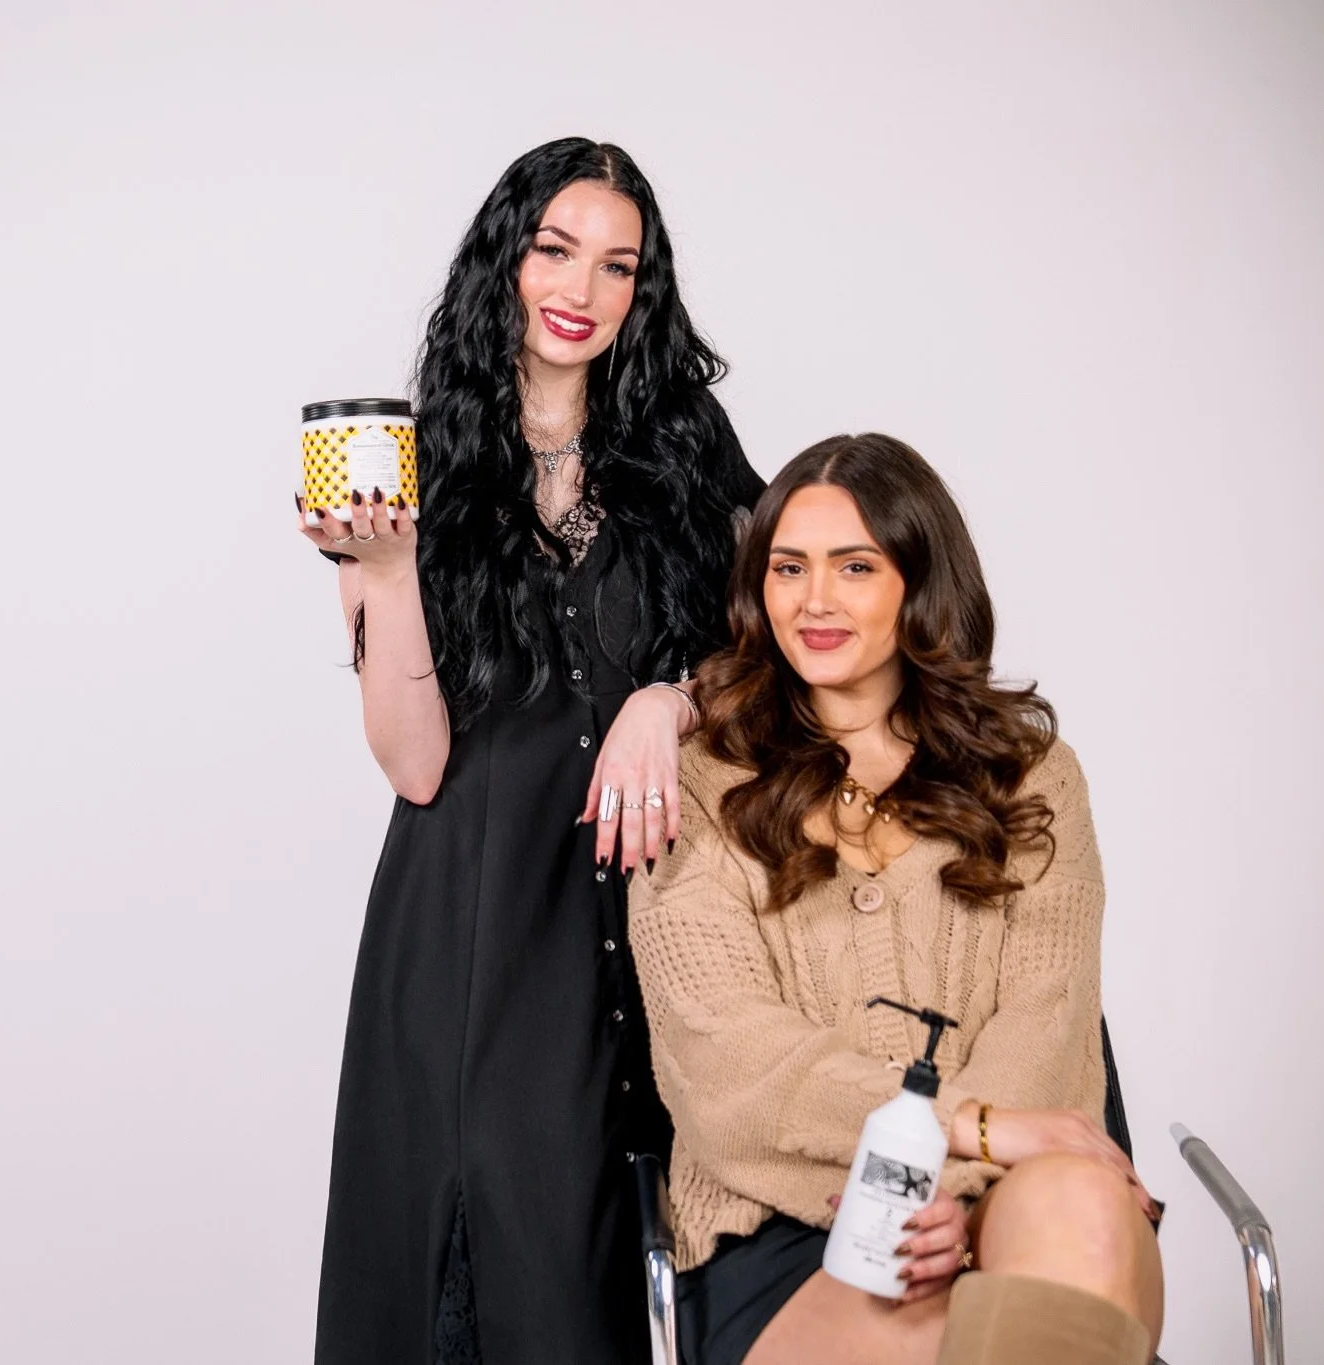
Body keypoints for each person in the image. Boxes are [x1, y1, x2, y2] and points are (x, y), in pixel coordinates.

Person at [297, 137, 764, 1365]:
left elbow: (785, 639)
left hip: (660, 906)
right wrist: (387, 573)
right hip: (476, 932)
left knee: (632, 1271)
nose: (583, 288)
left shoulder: (682, 441)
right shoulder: (413, 459)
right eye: (556, 249)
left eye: (619, 265)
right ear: (506, 255)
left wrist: (669, 697)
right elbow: (413, 765)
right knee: (492, 1270)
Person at [628, 433, 1165, 1365]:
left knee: (1079, 1204)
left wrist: (955, 1197)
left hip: (1012, 1206)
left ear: (919, 584)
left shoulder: (1033, 778)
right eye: (788, 567)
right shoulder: (697, 791)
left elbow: (1047, 1026)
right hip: (787, 1230)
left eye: (855, 566)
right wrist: (952, 1143)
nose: (815, 600)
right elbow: (732, 1076)